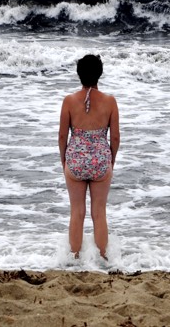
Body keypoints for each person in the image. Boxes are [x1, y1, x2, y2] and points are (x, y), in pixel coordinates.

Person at [58, 54, 120, 260]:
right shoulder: (110, 101)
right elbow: (116, 137)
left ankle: (73, 258)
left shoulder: (69, 101)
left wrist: (64, 160)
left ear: (79, 74)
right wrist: (111, 160)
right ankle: (103, 259)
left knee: (77, 211)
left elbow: (62, 135)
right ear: (99, 74)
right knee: (99, 212)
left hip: (75, 159)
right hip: (101, 160)